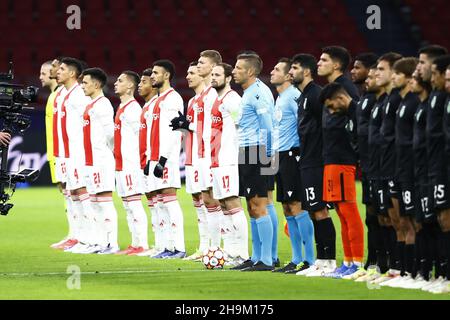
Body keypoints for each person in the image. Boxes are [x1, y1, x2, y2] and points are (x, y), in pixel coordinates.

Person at [289, 54, 338, 277]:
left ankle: (329, 261)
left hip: (316, 162)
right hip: (307, 161)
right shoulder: (303, 96)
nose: (291, 72)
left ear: (306, 72)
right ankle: (321, 260)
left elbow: (325, 127)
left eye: (295, 68)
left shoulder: (316, 94)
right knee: (312, 211)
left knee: (320, 211)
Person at [269, 58, 314, 274]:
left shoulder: (294, 96)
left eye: (277, 69)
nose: (271, 71)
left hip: (292, 155)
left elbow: (304, 125)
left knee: (297, 205)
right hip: (279, 155)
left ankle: (310, 259)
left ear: (288, 76)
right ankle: (296, 258)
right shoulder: (281, 98)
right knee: (287, 206)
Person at [230, 52, 275, 271]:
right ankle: (257, 256)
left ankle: (266, 259)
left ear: (250, 71)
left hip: (258, 151)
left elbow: (267, 125)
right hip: (247, 151)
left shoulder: (258, 93)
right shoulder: (249, 92)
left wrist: (267, 158)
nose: (234, 71)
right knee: (251, 205)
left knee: (260, 205)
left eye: (238, 68)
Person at [319, 82, 364, 278]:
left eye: (331, 105)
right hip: (331, 165)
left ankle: (357, 262)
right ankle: (347, 262)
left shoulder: (356, 111)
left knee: (350, 213)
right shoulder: (338, 113)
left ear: (341, 98)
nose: (330, 110)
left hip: (344, 165)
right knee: (341, 214)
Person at [382, 58, 421, 288]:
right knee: (400, 222)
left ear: (407, 77)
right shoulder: (399, 101)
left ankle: (421, 272)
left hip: (411, 170)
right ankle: (405, 270)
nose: (394, 77)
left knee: (415, 222)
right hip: (395, 168)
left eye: (397, 74)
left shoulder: (413, 102)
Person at [144, 60, 186, 259]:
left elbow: (174, 131)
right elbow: (154, 133)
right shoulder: (157, 101)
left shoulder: (172, 98)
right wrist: (149, 160)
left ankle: (179, 247)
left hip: (165, 158)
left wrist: (163, 159)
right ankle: (166, 246)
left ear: (166, 75)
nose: (152, 76)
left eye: (155, 73)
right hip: (154, 157)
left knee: (169, 201)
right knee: (159, 203)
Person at [208, 62, 249, 264]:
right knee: (224, 205)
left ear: (228, 78)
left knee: (232, 203)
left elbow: (242, 126)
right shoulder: (218, 99)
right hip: (217, 160)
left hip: (228, 160)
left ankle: (242, 253)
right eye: (212, 74)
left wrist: (238, 156)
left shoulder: (232, 100)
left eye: (218, 75)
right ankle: (232, 251)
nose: (213, 77)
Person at [56, 57, 97, 254]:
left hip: (79, 153)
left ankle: (91, 238)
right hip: (67, 152)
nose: (58, 71)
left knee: (83, 195)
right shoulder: (65, 94)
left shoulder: (79, 95)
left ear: (72, 73)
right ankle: (78, 237)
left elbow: (86, 125)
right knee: (73, 195)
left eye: (62, 69)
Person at [371, 52, 405, 285]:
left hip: (398, 168)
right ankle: (393, 268)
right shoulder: (383, 101)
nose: (376, 73)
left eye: (381, 69)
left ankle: (406, 270)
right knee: (386, 219)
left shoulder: (398, 101)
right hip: (381, 167)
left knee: (402, 221)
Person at [174, 62, 211, 260]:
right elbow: (190, 130)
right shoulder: (192, 101)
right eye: (187, 72)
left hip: (204, 156)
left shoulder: (210, 97)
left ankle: (214, 246)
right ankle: (204, 246)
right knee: (197, 200)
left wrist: (188, 124)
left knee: (210, 200)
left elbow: (208, 129)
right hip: (191, 157)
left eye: (192, 72)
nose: (187, 76)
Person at [80, 67, 119, 254]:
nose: (82, 86)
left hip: (101, 160)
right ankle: (99, 242)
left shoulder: (103, 104)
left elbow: (111, 134)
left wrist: (107, 155)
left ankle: (112, 243)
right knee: (94, 202)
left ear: (96, 84)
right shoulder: (90, 105)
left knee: (104, 202)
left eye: (85, 82)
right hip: (90, 161)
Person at [113, 70, 149, 256]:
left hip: (131, 164)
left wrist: (138, 163)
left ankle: (142, 243)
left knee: (134, 204)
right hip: (121, 164)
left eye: (120, 80)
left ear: (130, 86)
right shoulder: (122, 108)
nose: (115, 83)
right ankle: (135, 243)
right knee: (127, 205)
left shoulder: (134, 109)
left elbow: (142, 138)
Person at [424, 54, 450, 293]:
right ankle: (441, 273)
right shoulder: (436, 97)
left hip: (441, 166)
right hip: (435, 167)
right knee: (439, 219)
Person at [137, 68, 160, 257]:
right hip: (145, 160)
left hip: (154, 160)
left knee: (161, 201)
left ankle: (169, 246)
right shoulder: (146, 107)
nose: (140, 85)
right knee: (153, 202)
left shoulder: (155, 105)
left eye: (143, 82)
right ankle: (160, 245)